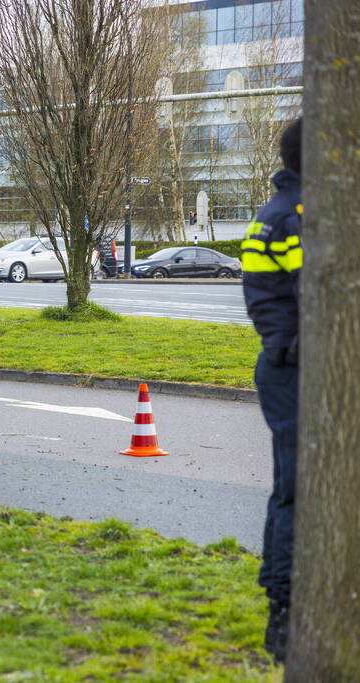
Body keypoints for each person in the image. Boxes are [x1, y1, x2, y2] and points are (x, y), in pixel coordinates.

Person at [240, 117, 302, 663]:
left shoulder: (278, 211)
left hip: (284, 364)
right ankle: (282, 611)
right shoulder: (297, 217)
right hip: (294, 368)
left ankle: (279, 600)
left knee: (291, 488)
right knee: (297, 490)